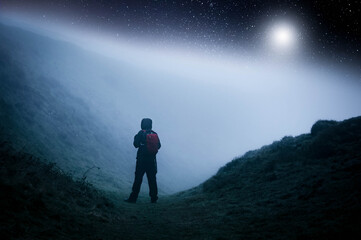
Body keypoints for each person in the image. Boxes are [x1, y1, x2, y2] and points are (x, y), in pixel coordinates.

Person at [124, 118, 161, 203]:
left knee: (138, 179)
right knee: (152, 179)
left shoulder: (141, 133)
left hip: (141, 160)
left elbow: (135, 144)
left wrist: (137, 138)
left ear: (142, 124)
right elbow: (159, 146)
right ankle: (154, 198)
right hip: (152, 160)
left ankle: (133, 198)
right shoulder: (154, 133)